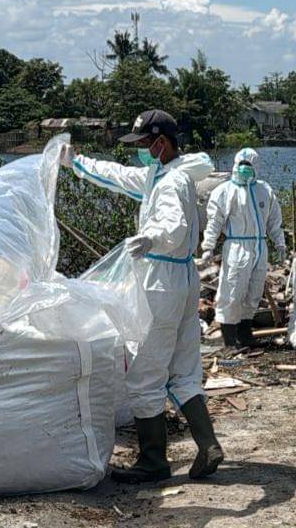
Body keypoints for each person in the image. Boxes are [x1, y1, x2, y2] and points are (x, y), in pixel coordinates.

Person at [60, 109, 223, 484]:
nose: (140, 152)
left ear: (161, 143)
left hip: (161, 280)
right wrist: (77, 163)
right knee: (183, 368)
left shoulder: (171, 182)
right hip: (182, 278)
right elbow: (118, 176)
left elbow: (173, 225)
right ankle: (207, 443)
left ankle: (153, 460)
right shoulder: (163, 175)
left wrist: (151, 238)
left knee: (145, 373)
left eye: (144, 144)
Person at [200, 148, 286, 348]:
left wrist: (280, 243)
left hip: (260, 247)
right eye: (242, 165)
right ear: (236, 165)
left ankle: (245, 335)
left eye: (249, 165)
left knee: (253, 292)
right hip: (237, 247)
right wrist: (208, 245)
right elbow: (214, 221)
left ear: (256, 167)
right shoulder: (225, 191)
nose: (245, 169)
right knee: (232, 291)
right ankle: (230, 339)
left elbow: (274, 220)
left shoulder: (264, 190)